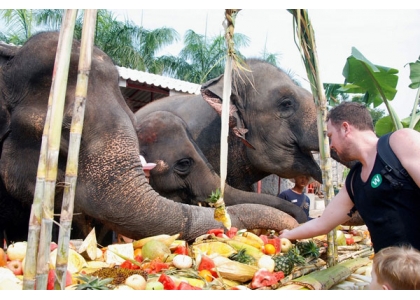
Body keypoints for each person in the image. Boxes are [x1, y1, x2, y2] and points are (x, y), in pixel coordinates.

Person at [279, 102, 420, 253]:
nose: (331, 145)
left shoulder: (400, 142)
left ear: (346, 128)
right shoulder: (354, 181)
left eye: (331, 136)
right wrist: (288, 235)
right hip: (388, 271)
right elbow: (323, 223)